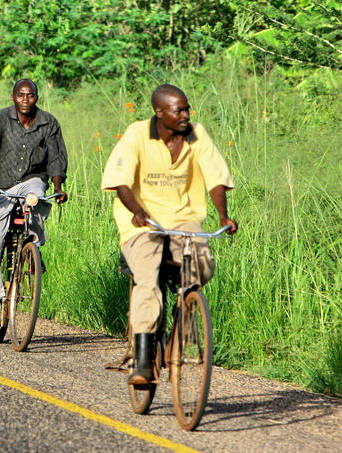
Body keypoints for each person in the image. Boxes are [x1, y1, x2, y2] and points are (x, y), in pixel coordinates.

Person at [101, 84, 238, 385]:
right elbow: (120, 181)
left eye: (188, 108)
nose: (186, 115)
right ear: (160, 112)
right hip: (142, 222)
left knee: (203, 265)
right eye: (179, 110)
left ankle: (181, 325)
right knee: (147, 281)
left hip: (183, 219)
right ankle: (142, 360)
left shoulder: (196, 135)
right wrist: (137, 210)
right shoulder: (137, 133)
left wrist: (223, 215)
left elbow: (216, 178)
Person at [0, 79, 68, 327]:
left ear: (37, 98)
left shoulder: (48, 122)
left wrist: (58, 187)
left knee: (37, 194)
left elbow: (56, 159)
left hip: (31, 181)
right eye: (20, 95)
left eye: (30, 95)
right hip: (0, 186)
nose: (25, 100)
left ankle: (32, 245)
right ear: (13, 97)